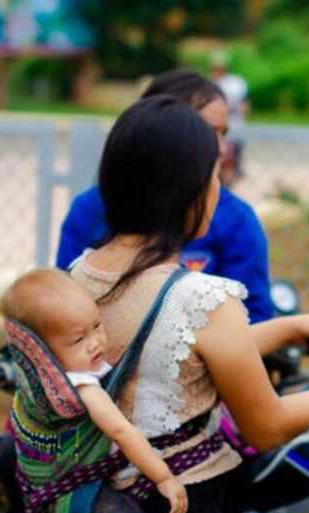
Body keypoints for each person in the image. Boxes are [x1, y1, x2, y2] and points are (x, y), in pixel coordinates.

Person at [59, 95, 309, 513]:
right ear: (191, 193)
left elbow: (172, 358)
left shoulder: (75, 279)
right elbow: (264, 425)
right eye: (214, 174)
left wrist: (292, 326)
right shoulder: (203, 297)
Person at [0, 269, 202, 513]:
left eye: (97, 326)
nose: (96, 342)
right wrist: (164, 477)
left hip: (46, 481)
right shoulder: (81, 388)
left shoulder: (39, 382)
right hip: (65, 492)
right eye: (78, 339)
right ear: (40, 354)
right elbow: (123, 433)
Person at [55, 68, 272, 323]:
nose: (221, 148)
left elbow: (253, 315)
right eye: (207, 131)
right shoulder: (90, 209)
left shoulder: (236, 219)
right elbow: (61, 306)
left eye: (224, 133)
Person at [210, 52, 249, 184]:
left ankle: (232, 174)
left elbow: (244, 103)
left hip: (234, 122)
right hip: (223, 124)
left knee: (233, 153)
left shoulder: (234, 83)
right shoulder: (212, 84)